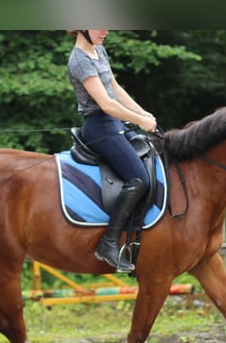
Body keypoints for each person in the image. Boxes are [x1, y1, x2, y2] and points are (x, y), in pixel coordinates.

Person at [67, 30, 158, 272]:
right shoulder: (79, 60)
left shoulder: (99, 51)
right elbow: (105, 104)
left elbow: (115, 89)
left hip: (114, 123)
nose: (105, 30)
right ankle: (108, 243)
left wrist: (143, 113)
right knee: (138, 179)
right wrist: (138, 120)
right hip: (99, 128)